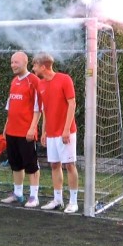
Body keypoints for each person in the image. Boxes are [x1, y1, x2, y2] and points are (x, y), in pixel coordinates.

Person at [31, 52, 79, 213]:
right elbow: (45, 109)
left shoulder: (65, 79)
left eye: (35, 65)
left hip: (66, 132)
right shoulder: (41, 84)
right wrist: (44, 131)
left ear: (43, 66)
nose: (33, 68)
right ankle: (57, 199)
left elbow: (72, 104)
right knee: (54, 165)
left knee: (69, 165)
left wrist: (66, 130)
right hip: (51, 133)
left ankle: (73, 201)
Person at [0, 52, 42, 207]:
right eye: (11, 62)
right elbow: (10, 106)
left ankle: (34, 196)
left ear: (25, 62)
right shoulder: (13, 81)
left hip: (26, 132)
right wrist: (6, 127)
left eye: (16, 62)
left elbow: (38, 108)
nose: (13, 65)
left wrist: (32, 128)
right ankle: (18, 194)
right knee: (15, 163)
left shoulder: (34, 81)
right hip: (12, 131)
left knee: (31, 164)